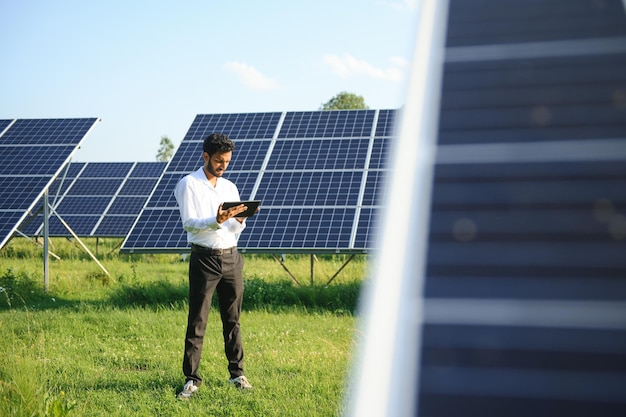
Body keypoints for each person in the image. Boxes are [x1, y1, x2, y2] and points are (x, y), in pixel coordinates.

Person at [174, 132, 253, 399]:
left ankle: (237, 374)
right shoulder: (188, 184)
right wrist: (216, 219)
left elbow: (231, 227)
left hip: (232, 257)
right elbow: (190, 223)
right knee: (198, 320)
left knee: (233, 320)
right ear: (206, 156)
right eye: (219, 161)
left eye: (227, 162)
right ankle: (192, 379)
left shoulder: (229, 187)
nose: (223, 166)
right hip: (204, 259)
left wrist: (238, 221)